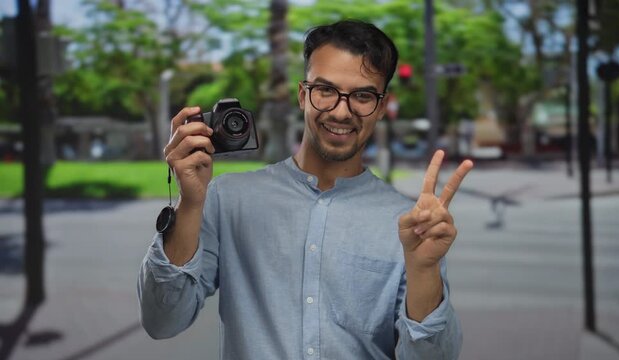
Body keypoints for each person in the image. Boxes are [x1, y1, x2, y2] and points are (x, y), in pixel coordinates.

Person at [137, 19, 473, 359]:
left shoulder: (410, 224)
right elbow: (162, 320)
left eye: (362, 95)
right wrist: (190, 204)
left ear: (382, 107)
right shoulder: (228, 199)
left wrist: (424, 271)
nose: (341, 111)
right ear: (303, 95)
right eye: (325, 90)